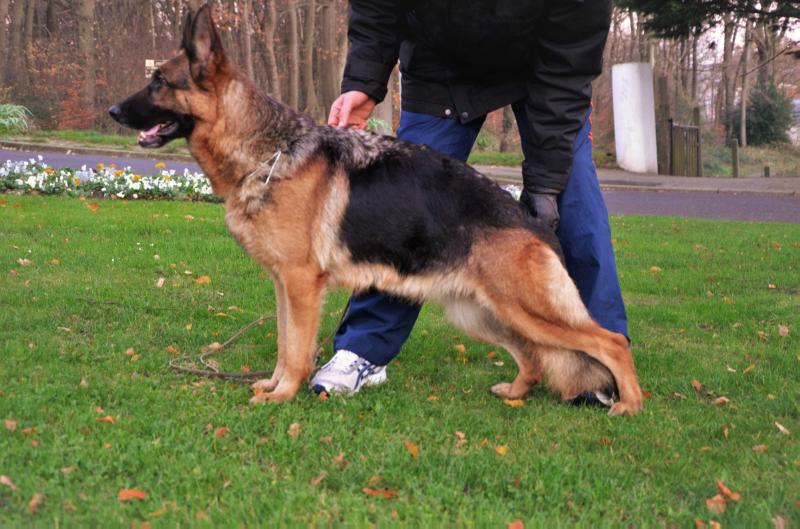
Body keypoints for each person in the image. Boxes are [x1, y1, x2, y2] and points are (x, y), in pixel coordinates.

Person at [310, 0, 627, 406]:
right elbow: (377, 8)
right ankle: (364, 350)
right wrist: (363, 81)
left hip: (546, 74)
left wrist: (546, 186)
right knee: (404, 207)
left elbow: (570, 59)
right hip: (440, 67)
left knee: (576, 203)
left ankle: (601, 365)